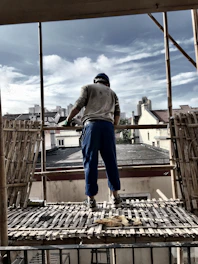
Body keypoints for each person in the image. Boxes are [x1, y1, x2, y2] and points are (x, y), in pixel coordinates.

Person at [64, 73, 121, 209]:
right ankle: (116, 198)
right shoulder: (113, 93)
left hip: (91, 126)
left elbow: (78, 106)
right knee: (111, 162)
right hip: (108, 127)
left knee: (90, 162)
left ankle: (91, 200)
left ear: (96, 82)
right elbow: (117, 115)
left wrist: (68, 120)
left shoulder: (87, 88)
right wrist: (112, 129)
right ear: (107, 83)